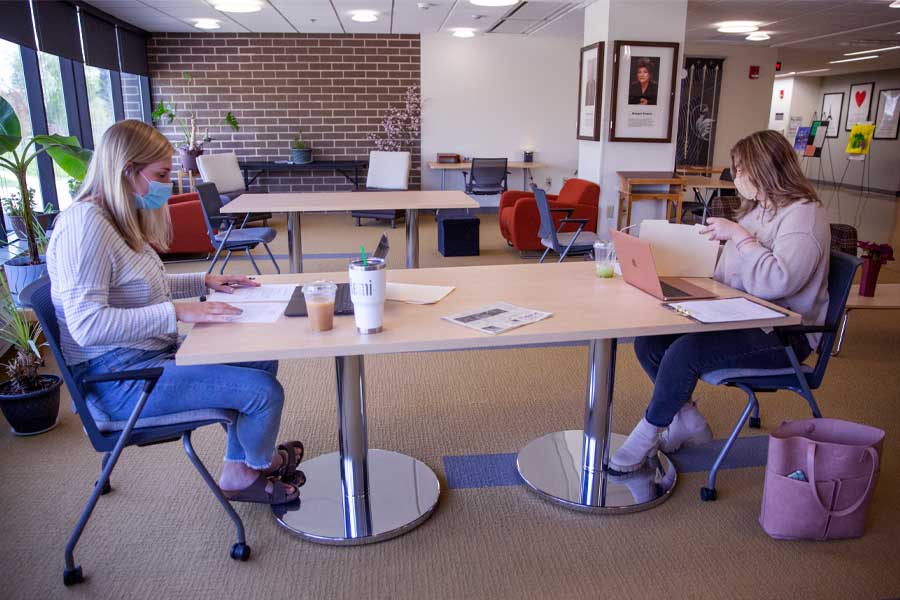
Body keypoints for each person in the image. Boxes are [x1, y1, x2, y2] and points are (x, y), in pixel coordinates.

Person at [47, 119, 303, 504]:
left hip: (145, 358)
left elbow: (142, 287)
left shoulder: (114, 220)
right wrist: (178, 312)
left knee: (259, 357)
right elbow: (88, 325)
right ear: (127, 171)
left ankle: (243, 463)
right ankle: (246, 473)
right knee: (263, 393)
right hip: (118, 382)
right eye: (162, 174)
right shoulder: (85, 227)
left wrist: (204, 282)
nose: (170, 183)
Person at [610, 130, 831, 473]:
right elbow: (730, 274)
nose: (736, 177)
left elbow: (779, 280)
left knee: (685, 353)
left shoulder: (804, 217)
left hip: (787, 334)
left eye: (741, 169)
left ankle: (648, 433)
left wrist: (740, 237)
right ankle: (685, 419)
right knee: (649, 343)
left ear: (764, 169)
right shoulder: (761, 209)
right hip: (745, 315)